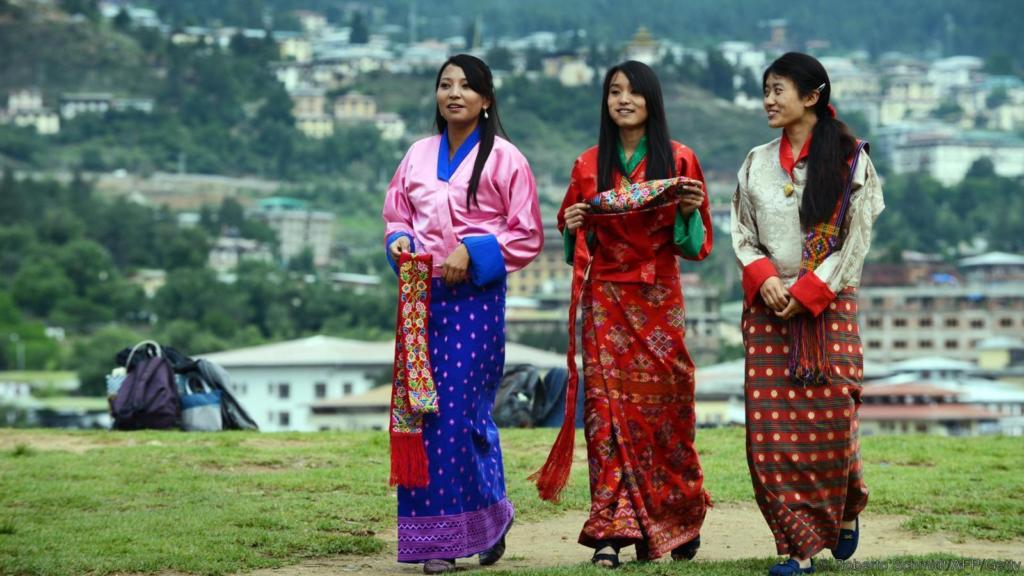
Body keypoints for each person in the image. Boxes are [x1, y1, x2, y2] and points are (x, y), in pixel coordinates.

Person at [534, 60, 713, 569]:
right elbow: (576, 245)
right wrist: (571, 224)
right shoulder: (587, 164)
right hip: (606, 299)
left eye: (634, 92)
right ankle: (610, 529)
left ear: (652, 101)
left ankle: (677, 518)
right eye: (614, 91)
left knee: (668, 412)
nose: (623, 100)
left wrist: (684, 212)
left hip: (659, 301)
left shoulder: (681, 160)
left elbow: (697, 244)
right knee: (606, 416)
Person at [381, 54, 543, 575]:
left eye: (466, 86)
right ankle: (446, 536)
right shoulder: (417, 154)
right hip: (418, 298)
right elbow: (395, 214)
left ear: (486, 100)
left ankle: (464, 531)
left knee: (459, 415)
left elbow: (527, 234)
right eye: (445, 85)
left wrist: (473, 251)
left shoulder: (506, 160)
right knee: (422, 414)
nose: (454, 94)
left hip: (474, 300)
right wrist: (401, 240)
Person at [731, 52, 885, 576]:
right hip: (770, 310)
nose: (769, 100)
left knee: (832, 421)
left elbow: (856, 238)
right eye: (766, 90)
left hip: (827, 310)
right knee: (771, 437)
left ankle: (844, 505)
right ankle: (795, 546)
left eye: (779, 90)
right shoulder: (755, 162)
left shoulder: (850, 160)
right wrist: (766, 280)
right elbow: (742, 234)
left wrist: (813, 288)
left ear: (812, 97)